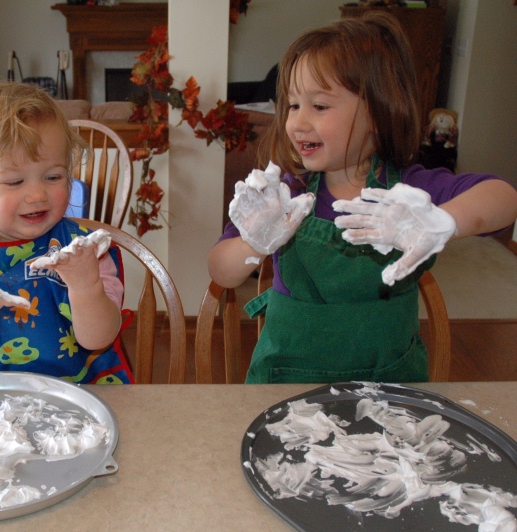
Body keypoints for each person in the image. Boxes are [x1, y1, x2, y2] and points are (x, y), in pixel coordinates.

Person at [208, 13, 517, 384]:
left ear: (376, 111)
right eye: (292, 105)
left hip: (390, 387)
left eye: (319, 106)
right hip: (285, 386)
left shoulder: (408, 194)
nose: (297, 122)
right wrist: (253, 243)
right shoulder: (285, 195)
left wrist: (442, 221)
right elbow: (220, 272)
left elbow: (504, 197)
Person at [0, 81, 133, 384]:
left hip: (71, 399)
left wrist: (86, 286)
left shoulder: (85, 252)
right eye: (15, 182)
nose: (36, 195)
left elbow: (99, 339)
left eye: (53, 176)